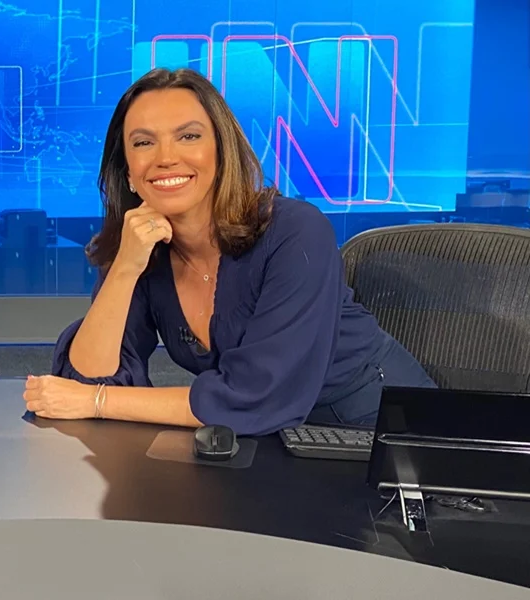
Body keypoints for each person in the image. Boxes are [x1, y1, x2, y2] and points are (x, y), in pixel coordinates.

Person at [23, 68, 434, 436]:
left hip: (382, 434)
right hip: (261, 444)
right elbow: (85, 378)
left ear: (221, 152)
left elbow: (253, 397)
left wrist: (99, 405)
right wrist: (125, 268)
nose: (166, 158)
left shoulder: (295, 232)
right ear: (128, 171)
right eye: (144, 142)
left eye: (188, 136)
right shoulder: (141, 246)